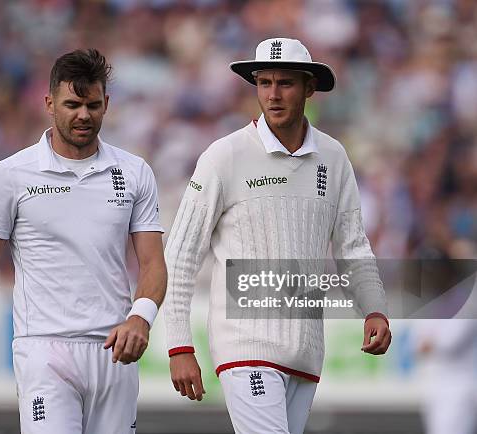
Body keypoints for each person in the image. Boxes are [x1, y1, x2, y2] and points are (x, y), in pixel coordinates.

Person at [163, 38, 392, 434]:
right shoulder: (224, 155)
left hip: (306, 352)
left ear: (309, 88)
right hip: (244, 346)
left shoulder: (334, 157)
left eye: (284, 83)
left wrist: (374, 308)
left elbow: (353, 245)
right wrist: (179, 346)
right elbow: (181, 256)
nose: (272, 94)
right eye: (264, 82)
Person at [0, 49, 167, 434]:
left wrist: (141, 317)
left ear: (107, 105)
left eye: (92, 105)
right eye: (72, 104)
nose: (83, 115)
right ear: (50, 104)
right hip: (44, 350)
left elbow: (153, 263)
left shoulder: (134, 172)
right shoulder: (11, 175)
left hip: (113, 351)